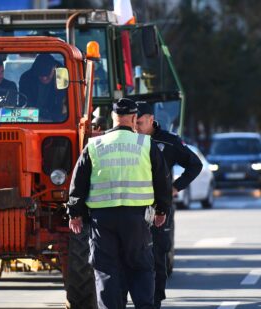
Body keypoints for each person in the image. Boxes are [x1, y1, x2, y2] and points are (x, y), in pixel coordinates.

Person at [68, 98, 173, 309]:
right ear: (134, 119)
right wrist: (162, 210)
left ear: (113, 118)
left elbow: (78, 181)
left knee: (107, 270)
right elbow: (163, 181)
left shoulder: (94, 145)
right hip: (137, 219)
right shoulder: (146, 145)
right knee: (140, 267)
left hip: (102, 220)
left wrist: (75, 213)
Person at [135, 102, 203, 309]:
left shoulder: (169, 142)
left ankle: (155, 302)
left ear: (150, 119)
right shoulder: (128, 140)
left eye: (138, 122)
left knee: (157, 256)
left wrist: (175, 187)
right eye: (132, 123)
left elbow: (195, 164)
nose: (135, 127)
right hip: (132, 206)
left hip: (159, 208)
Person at [19, 54, 66, 121]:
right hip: (32, 119)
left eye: (47, 74)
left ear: (54, 68)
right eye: (40, 74)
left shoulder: (63, 78)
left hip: (58, 122)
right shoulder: (26, 79)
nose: (44, 78)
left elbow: (65, 106)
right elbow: (24, 103)